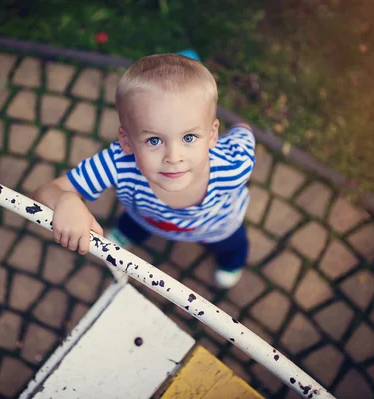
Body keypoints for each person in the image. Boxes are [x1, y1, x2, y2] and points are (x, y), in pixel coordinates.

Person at [32, 53, 255, 288]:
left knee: (233, 246)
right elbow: (45, 192)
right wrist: (66, 199)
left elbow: (244, 131)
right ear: (126, 142)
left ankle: (231, 262)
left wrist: (241, 127)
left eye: (189, 137)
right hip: (144, 216)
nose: (173, 157)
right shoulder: (119, 163)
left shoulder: (235, 164)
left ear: (212, 135)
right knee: (134, 224)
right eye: (154, 140)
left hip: (218, 228)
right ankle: (129, 232)